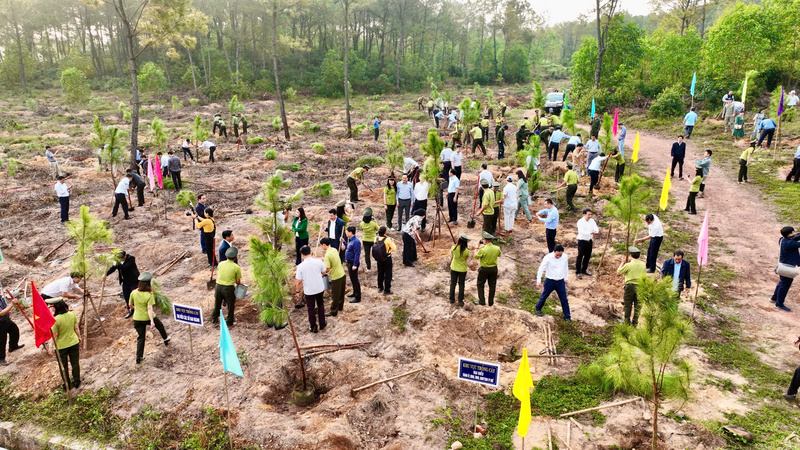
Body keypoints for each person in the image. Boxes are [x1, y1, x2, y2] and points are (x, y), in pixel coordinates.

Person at [130, 272, 170, 364]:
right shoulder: (149, 295)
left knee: (141, 337)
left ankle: (138, 357)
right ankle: (165, 339)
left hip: (137, 319)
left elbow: (130, 305)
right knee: (160, 325)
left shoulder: (134, 292)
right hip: (147, 317)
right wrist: (152, 321)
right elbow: (149, 308)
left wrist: (135, 309)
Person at [47, 297, 79, 388]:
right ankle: (77, 381)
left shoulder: (55, 320)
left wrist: (50, 347)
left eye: (50, 306)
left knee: (63, 366)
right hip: (73, 342)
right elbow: (76, 328)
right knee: (75, 363)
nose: (50, 308)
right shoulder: (72, 314)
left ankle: (67, 384)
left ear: (56, 307)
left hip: (61, 347)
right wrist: (79, 337)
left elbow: (55, 336)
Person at [296, 246, 327, 333]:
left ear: (302, 255)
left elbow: (298, 281)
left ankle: (313, 326)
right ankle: (322, 323)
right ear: (311, 252)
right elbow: (324, 271)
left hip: (309, 290)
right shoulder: (318, 262)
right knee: (321, 305)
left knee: (311, 308)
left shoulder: (300, 266)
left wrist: (298, 291)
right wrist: (320, 275)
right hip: (319, 288)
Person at [535, 244, 571, 321]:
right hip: (550, 281)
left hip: (560, 281)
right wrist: (538, 281)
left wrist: (566, 278)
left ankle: (567, 316)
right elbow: (541, 269)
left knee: (564, 299)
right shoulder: (548, 258)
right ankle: (538, 308)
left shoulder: (564, 257)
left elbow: (565, 267)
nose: (558, 256)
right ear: (554, 252)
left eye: (560, 255)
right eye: (557, 255)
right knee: (544, 296)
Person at [772, 226, 800, 312]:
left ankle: (774, 298)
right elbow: (796, 241)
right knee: (785, 285)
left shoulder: (782, 240)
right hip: (788, 268)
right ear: (789, 234)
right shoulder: (790, 244)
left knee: (782, 283)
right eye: (793, 232)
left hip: (783, 266)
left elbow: (795, 238)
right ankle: (779, 304)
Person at [105, 251, 140, 318]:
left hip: (133, 281)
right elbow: (113, 268)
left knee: (136, 296)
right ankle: (130, 311)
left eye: (121, 258)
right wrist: (106, 274)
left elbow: (124, 267)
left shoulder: (131, 259)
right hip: (125, 281)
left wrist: (116, 263)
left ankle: (139, 310)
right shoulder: (118, 261)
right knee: (127, 296)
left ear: (125, 256)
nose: (120, 260)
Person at [617, 247, 646, 326]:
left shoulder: (628, 265)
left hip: (630, 286)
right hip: (640, 286)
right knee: (638, 305)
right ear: (639, 256)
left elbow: (619, 271)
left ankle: (626, 322)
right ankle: (635, 323)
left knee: (628, 304)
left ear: (630, 255)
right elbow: (644, 278)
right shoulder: (643, 265)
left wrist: (622, 262)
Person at [214, 248, 242, 326]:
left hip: (218, 287)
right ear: (235, 258)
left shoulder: (221, 264)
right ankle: (229, 323)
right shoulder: (236, 267)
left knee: (217, 304)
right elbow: (238, 282)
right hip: (228, 288)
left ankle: (214, 320)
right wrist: (239, 286)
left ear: (226, 257)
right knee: (230, 306)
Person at [321, 238, 346, 316]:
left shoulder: (327, 255)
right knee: (341, 293)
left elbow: (327, 269)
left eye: (321, 245)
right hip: (342, 274)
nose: (321, 247)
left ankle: (333, 311)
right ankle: (340, 307)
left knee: (335, 295)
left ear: (324, 245)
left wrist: (321, 274)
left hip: (336, 277)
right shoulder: (334, 250)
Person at [475, 232, 501, 306]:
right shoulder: (497, 248)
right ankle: (491, 302)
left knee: (480, 284)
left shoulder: (483, 249)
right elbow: (499, 254)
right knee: (492, 285)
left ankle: (482, 301)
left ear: (485, 240)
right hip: (494, 269)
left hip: (484, 269)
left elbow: (476, 256)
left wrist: (477, 247)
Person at [0, 291, 23, 367]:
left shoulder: (1, 298)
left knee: (14, 330)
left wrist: (8, 311)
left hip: (6, 319)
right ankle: (1, 359)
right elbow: (1, 313)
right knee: (2, 340)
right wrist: (12, 304)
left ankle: (13, 346)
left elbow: (4, 308)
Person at [575, 209, 599, 279]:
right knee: (580, 256)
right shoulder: (580, 222)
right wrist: (590, 232)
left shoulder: (592, 221)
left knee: (587, 256)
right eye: (588, 215)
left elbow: (595, 227)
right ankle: (578, 272)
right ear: (584, 214)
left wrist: (596, 231)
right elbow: (581, 231)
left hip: (589, 241)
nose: (590, 216)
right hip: (582, 241)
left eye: (591, 215)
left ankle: (584, 269)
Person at [449, 233, 470, 306]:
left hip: (454, 267)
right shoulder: (467, 251)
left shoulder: (454, 247)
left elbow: (452, 255)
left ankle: (451, 299)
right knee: (461, 285)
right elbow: (466, 258)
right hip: (462, 269)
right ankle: (460, 300)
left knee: (453, 284)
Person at [344, 227, 362, 303]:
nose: (346, 233)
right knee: (352, 279)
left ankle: (358, 297)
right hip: (349, 262)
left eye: (347, 232)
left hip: (353, 263)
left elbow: (357, 254)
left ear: (351, 232)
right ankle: (355, 293)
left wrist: (355, 264)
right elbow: (349, 247)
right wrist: (344, 242)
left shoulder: (356, 241)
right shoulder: (351, 240)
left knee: (355, 280)